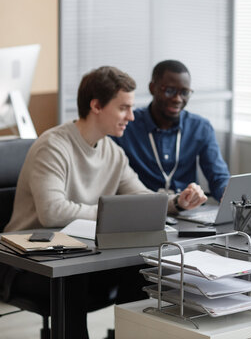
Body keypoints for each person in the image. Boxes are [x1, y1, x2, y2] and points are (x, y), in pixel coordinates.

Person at [1, 66, 207, 338]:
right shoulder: (53, 146)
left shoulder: (113, 151)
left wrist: (177, 202)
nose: (131, 117)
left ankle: (128, 334)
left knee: (143, 268)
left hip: (83, 256)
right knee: (72, 276)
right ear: (96, 105)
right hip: (29, 264)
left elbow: (141, 198)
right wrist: (112, 214)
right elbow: (53, 212)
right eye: (124, 108)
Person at [112, 59, 230, 201]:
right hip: (144, 211)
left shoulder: (200, 127)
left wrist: (230, 197)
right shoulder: (126, 126)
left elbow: (218, 177)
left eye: (184, 92)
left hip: (189, 212)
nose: (177, 99)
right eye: (169, 91)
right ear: (152, 88)